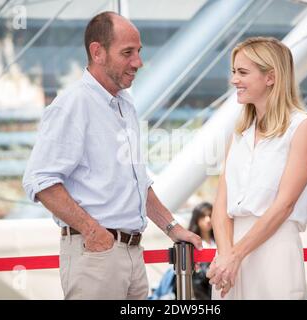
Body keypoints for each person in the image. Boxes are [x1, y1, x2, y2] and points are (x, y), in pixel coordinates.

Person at [22, 11, 202, 300]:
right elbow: (40, 181)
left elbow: (137, 182)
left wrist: (173, 227)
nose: (138, 62)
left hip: (131, 254)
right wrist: (93, 232)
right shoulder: (73, 104)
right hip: (96, 256)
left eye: (139, 52)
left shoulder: (125, 104)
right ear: (98, 52)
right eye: (127, 53)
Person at [206, 36, 307, 300]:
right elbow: (220, 205)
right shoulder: (239, 133)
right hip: (230, 253)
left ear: (271, 77)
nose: (234, 80)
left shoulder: (303, 126)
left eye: (243, 72)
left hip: (275, 250)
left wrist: (234, 254)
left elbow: (284, 205)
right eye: (234, 72)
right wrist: (225, 255)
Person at [149, 202, 215, 300]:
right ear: (196, 219)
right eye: (203, 216)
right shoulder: (190, 243)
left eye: (210, 215)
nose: (208, 220)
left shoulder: (219, 240)